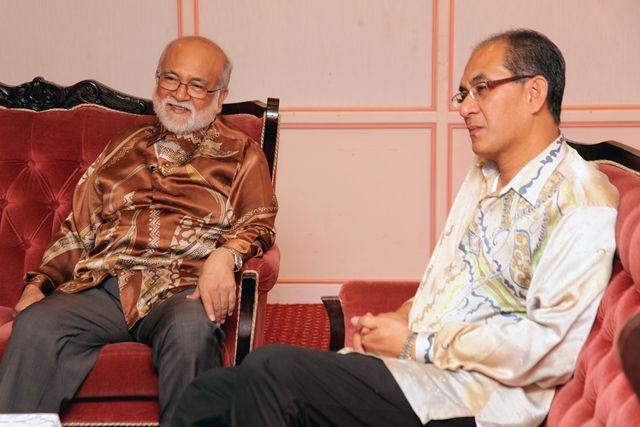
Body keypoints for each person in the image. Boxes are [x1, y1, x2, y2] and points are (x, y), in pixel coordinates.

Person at [171, 29, 618, 427]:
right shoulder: (487, 174)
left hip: (474, 400)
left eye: (482, 89)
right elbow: (455, 279)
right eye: (463, 94)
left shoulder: (581, 200)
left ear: (534, 92)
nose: (466, 108)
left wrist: (415, 344)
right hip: (424, 370)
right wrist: (405, 315)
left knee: (270, 372)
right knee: (205, 396)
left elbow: (549, 350)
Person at [0, 36, 277, 425]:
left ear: (220, 96)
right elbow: (78, 228)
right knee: (35, 326)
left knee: (191, 334)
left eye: (197, 85)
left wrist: (224, 255)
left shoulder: (242, 152)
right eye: (171, 79)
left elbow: (258, 221)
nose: (180, 94)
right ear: (157, 78)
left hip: (182, 287)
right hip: (103, 285)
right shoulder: (123, 145)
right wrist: (39, 284)